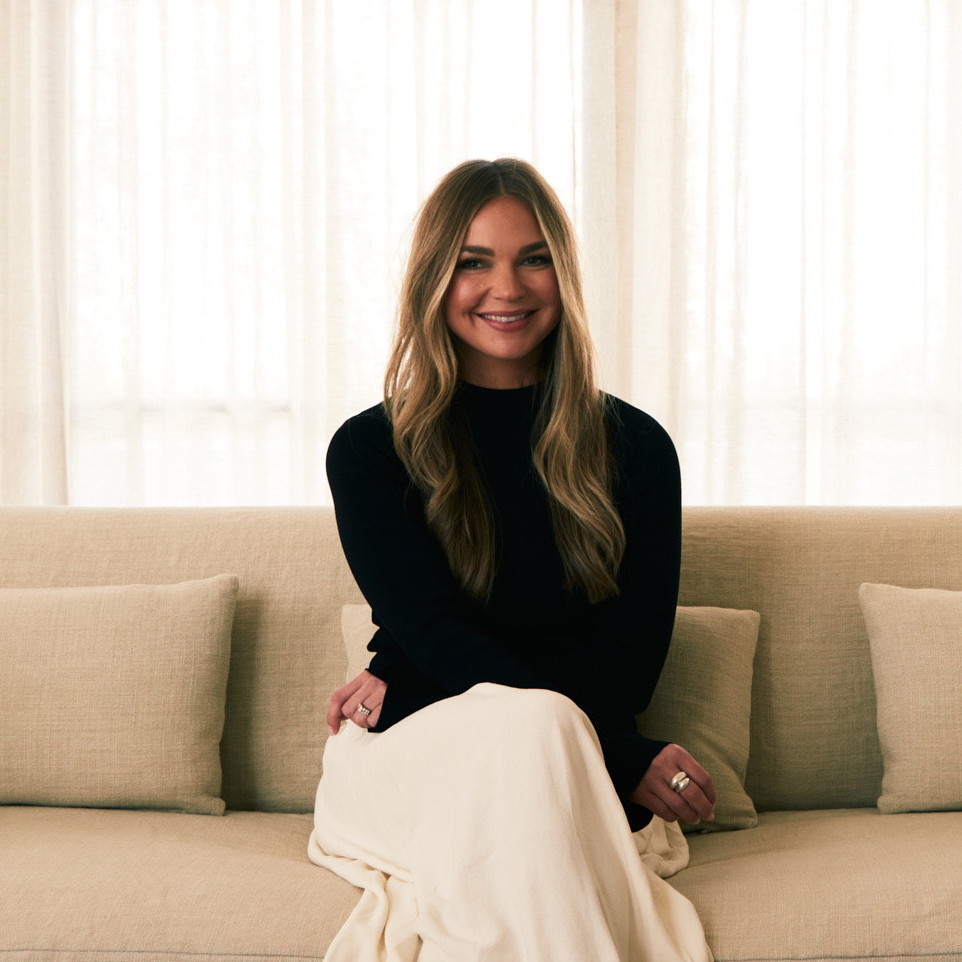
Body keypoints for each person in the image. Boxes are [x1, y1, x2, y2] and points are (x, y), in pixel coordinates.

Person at [308, 158, 715, 962]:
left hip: (561, 761)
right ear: (434, 278)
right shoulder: (369, 451)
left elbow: (629, 662)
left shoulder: (635, 449)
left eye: (533, 258)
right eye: (473, 261)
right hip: (411, 763)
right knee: (530, 722)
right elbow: (434, 630)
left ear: (562, 276)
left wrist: (416, 669)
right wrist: (624, 753)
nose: (508, 287)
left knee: (531, 727)